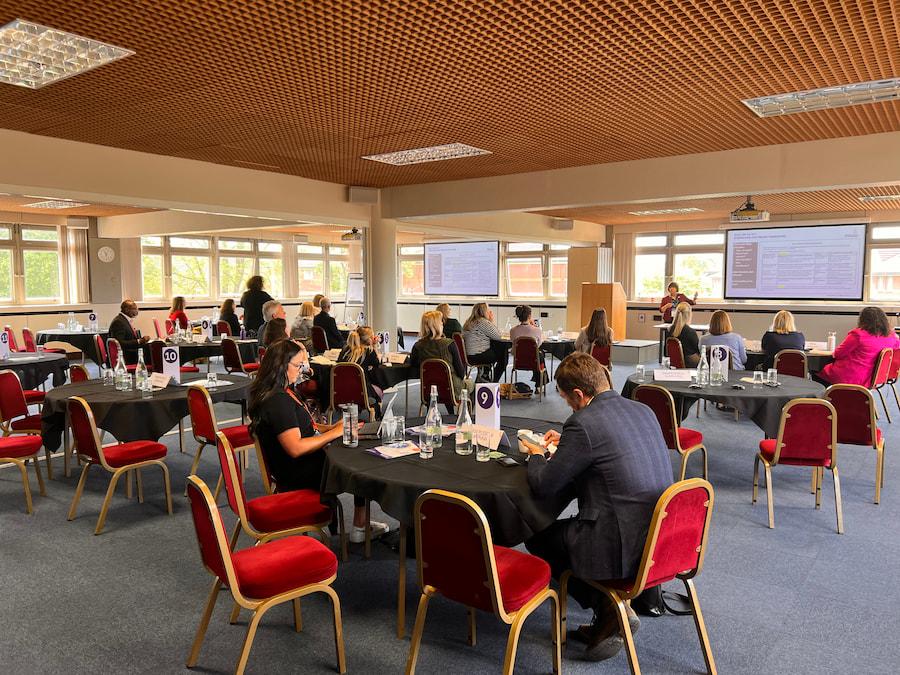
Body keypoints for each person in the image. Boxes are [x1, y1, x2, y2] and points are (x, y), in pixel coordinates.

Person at [520, 352, 672, 662]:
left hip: (617, 542)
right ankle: (611, 607)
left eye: (567, 399)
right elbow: (612, 445)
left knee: (535, 536)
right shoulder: (642, 410)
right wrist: (570, 444)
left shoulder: (584, 421)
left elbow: (545, 485)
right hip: (660, 540)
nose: (569, 406)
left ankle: (607, 606)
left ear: (579, 394)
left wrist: (535, 454)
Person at [249, 339, 388, 544]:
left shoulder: (283, 392)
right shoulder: (277, 401)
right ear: (280, 366)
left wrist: (333, 428)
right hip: (297, 472)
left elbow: (306, 427)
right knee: (359, 461)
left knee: (356, 447)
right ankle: (361, 524)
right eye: (298, 365)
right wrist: (334, 434)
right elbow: (295, 447)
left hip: (299, 464)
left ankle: (361, 523)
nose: (302, 370)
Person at [815, 307, 900, 386]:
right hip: (873, 378)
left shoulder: (858, 334)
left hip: (849, 376)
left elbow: (838, 354)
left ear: (863, 320)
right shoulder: (892, 337)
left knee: (815, 372)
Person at [409, 310, 472, 400]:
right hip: (452, 389)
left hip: (429, 391)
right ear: (436, 325)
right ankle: (466, 411)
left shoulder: (418, 346)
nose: (442, 323)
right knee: (472, 385)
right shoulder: (450, 344)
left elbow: (414, 368)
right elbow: (461, 373)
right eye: (440, 321)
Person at [338, 326, 383, 414]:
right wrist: (374, 346)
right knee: (380, 391)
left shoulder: (345, 350)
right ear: (370, 339)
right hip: (363, 393)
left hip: (342, 392)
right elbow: (377, 363)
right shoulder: (368, 351)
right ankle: (376, 417)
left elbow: (338, 363)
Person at [463, 302, 508, 382]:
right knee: (503, 349)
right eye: (488, 310)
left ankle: (485, 373)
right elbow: (498, 336)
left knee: (497, 346)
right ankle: (493, 380)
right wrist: (491, 321)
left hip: (469, 355)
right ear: (484, 312)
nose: (490, 312)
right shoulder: (482, 322)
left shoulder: (469, 322)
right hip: (479, 356)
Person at [509, 305, 545, 384]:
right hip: (533, 360)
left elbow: (513, 343)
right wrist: (534, 326)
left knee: (539, 355)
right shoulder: (537, 330)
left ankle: (538, 382)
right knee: (540, 354)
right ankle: (540, 384)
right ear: (529, 316)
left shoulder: (512, 330)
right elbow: (538, 345)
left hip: (518, 360)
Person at [108, 299, 150, 365]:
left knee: (151, 346)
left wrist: (141, 340)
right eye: (134, 309)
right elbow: (120, 343)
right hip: (128, 356)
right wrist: (139, 341)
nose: (137, 311)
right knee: (153, 351)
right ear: (126, 310)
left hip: (132, 352)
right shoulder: (118, 322)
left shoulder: (123, 319)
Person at [667, 302, 700, 367]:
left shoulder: (670, 330)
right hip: (690, 361)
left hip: (675, 361)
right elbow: (698, 349)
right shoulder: (690, 331)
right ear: (688, 315)